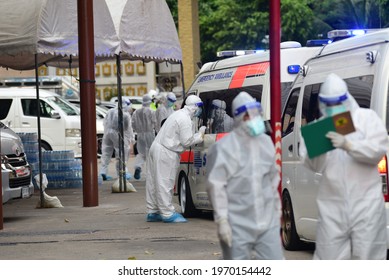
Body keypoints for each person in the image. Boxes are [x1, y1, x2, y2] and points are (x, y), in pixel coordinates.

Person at [299, 73, 388, 260]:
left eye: (336, 103)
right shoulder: (318, 128)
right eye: (328, 104)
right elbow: (311, 164)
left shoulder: (366, 119)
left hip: (366, 205)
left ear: (346, 99)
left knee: (368, 260)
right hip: (332, 207)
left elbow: (378, 150)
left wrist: (350, 145)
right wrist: (321, 147)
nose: (332, 109)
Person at [205, 91, 283, 260]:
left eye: (255, 115)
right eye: (249, 116)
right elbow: (215, 187)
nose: (254, 119)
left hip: (267, 221)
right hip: (237, 223)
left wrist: (277, 210)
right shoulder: (224, 148)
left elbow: (272, 180)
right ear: (239, 118)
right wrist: (222, 220)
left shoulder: (265, 143)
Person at [145, 95, 206, 223]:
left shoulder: (177, 114)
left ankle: (153, 211)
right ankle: (167, 213)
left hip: (156, 147)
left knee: (153, 182)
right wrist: (200, 135)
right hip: (166, 151)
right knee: (165, 182)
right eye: (199, 107)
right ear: (195, 107)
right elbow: (186, 141)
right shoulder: (185, 119)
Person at [100, 99, 135, 181]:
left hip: (107, 133)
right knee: (121, 153)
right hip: (117, 134)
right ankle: (122, 173)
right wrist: (131, 139)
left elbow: (104, 122)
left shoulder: (110, 111)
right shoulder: (126, 115)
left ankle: (103, 172)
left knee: (106, 153)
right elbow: (127, 128)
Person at [131, 94, 157, 180]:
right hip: (149, 133)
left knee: (141, 153)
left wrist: (138, 131)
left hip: (140, 134)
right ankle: (150, 174)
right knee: (151, 153)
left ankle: (138, 167)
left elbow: (133, 124)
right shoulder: (151, 111)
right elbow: (155, 123)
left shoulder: (136, 112)